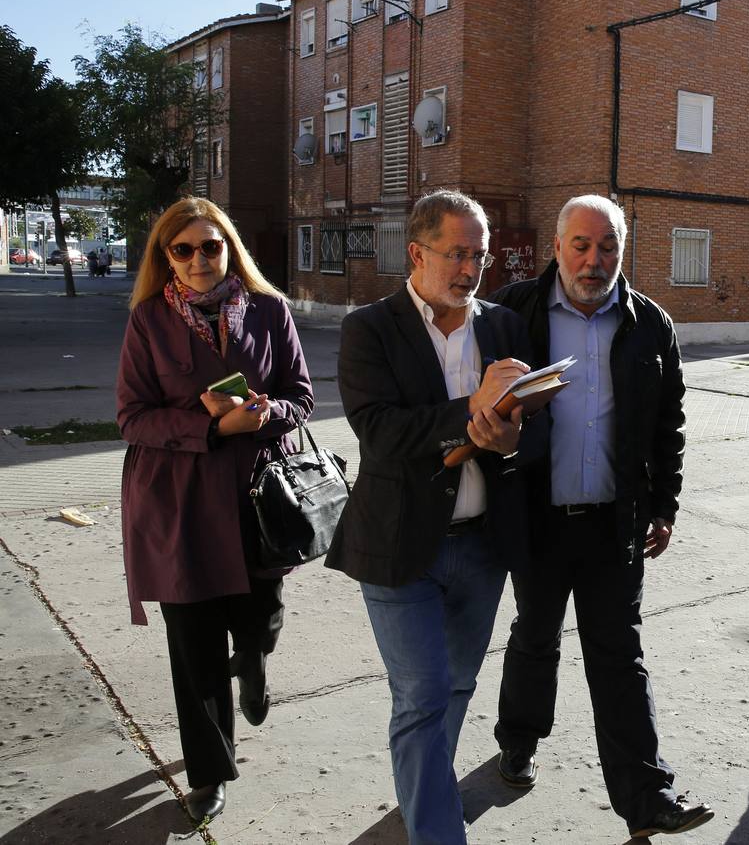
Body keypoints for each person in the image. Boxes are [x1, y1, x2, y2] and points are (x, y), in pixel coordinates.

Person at [490, 194, 712, 839]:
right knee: (535, 634)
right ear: (556, 248)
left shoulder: (650, 325)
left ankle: (647, 798)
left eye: (608, 246)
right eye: (581, 246)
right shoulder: (514, 312)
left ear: (623, 250)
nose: (594, 260)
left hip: (615, 522)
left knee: (618, 654)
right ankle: (519, 739)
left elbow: (667, 426)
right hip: (538, 517)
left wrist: (664, 505)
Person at [328, 190, 542, 845]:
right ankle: (437, 829)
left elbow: (522, 435)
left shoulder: (501, 327)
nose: (470, 268)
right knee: (422, 697)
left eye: (479, 255)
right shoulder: (370, 328)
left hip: (481, 548)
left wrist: (509, 438)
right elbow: (378, 430)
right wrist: (468, 412)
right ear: (417, 252)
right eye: (457, 253)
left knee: (458, 685)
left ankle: (423, 792)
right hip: (399, 546)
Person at [115, 197, 313, 824]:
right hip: (179, 506)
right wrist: (207, 421)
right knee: (194, 646)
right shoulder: (148, 321)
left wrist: (267, 414)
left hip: (259, 500)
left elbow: (301, 397)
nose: (200, 259)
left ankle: (253, 655)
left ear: (229, 248)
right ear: (166, 258)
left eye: (211, 246)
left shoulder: (270, 309)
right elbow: (132, 417)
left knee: (262, 614)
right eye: (184, 249)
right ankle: (209, 771)